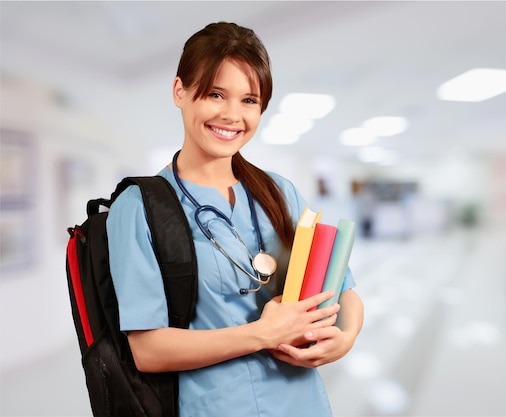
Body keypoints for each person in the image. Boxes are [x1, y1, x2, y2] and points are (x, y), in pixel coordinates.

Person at [106, 21, 364, 417]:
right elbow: (148, 350)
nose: (232, 115)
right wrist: (263, 334)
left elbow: (343, 289)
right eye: (215, 94)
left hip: (304, 404)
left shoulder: (279, 192)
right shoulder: (140, 206)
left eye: (249, 100)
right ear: (180, 91)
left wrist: (344, 338)